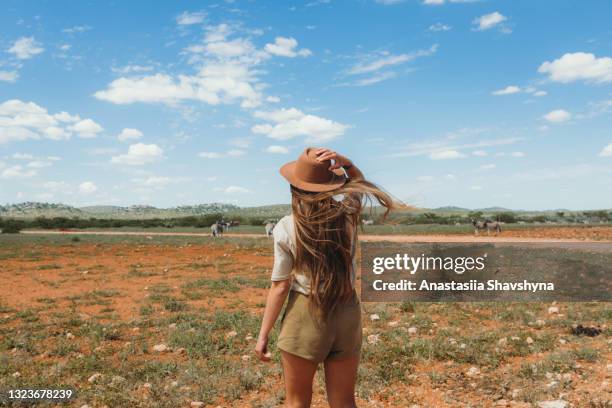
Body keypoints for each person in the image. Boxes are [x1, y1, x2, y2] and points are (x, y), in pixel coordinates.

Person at [255, 147, 400, 408]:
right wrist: (349, 165)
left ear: (294, 190)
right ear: (331, 187)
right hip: (347, 312)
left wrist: (263, 334)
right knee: (344, 401)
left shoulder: (287, 227)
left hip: (306, 315)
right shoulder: (347, 217)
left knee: (297, 401)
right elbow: (359, 188)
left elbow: (280, 286)